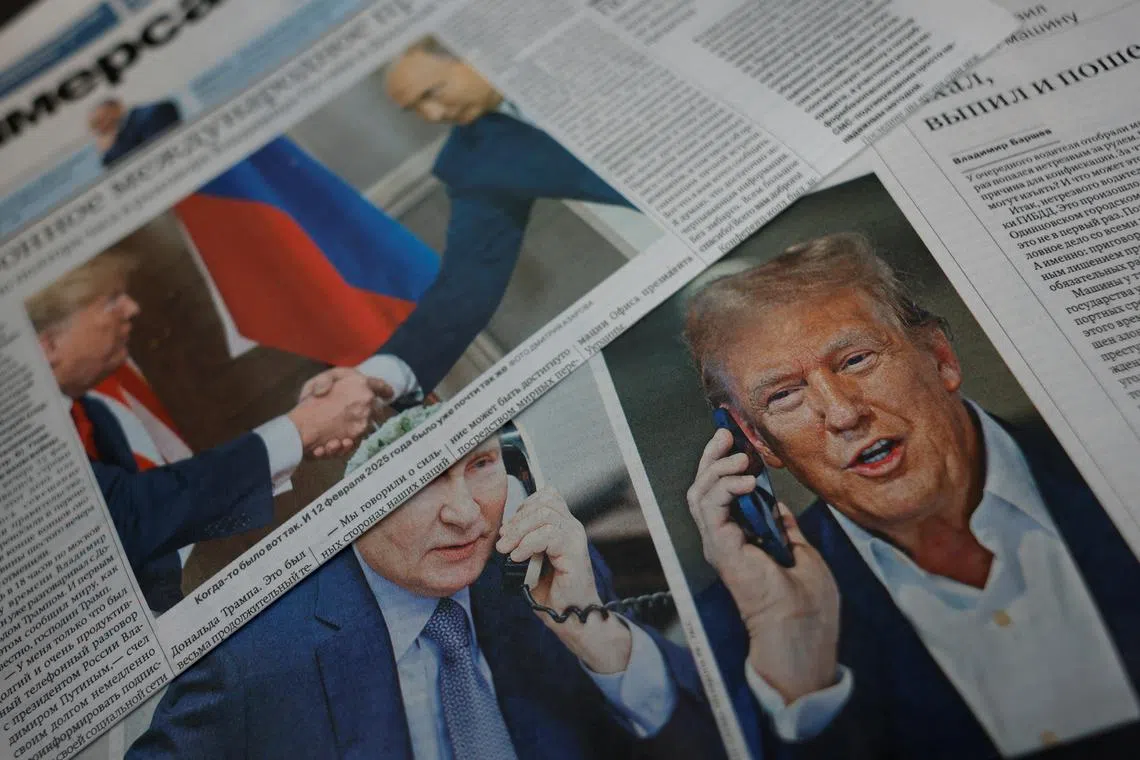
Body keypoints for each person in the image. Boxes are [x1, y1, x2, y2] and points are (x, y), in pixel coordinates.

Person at [683, 233, 1140, 759]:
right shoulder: (738, 629)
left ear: (939, 357)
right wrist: (803, 668)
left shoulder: (1111, 451)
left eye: (855, 360)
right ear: (759, 441)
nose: (842, 413)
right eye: (784, 395)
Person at [128, 419, 724, 759]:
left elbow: (707, 741)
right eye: (420, 483)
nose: (467, 517)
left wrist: (595, 635)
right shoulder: (250, 658)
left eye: (481, 465)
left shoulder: (549, 574)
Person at [28, 248, 383, 612]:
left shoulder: (93, 414)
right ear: (48, 346)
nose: (132, 308)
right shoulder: (27, 448)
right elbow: (130, 515)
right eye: (110, 302)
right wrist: (302, 429)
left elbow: (149, 542)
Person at [305, 37, 635, 408]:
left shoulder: (564, 49)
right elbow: (464, 288)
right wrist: (374, 380)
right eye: (416, 109)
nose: (432, 115)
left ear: (470, 53)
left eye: (432, 92)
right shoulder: (471, 162)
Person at [88, 97, 182, 167]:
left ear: (115, 109)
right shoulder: (121, 139)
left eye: (99, 122)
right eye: (95, 127)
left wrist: (111, 149)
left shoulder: (153, 113)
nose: (100, 129)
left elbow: (155, 157)